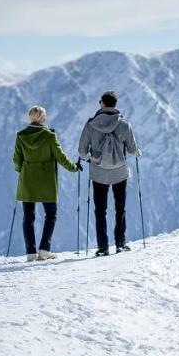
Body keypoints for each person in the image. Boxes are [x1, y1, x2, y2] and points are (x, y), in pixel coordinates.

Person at [13, 105, 80, 261]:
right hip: (46, 182)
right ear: (42, 118)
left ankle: (30, 253)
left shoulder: (20, 136)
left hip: (27, 181)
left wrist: (23, 171)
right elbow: (61, 157)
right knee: (51, 215)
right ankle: (44, 250)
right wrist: (74, 167)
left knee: (28, 217)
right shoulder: (49, 136)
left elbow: (17, 160)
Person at [78, 90, 140, 255]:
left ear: (102, 104)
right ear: (115, 104)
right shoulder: (124, 124)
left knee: (100, 211)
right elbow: (133, 150)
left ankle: (103, 247)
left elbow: (82, 152)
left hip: (98, 173)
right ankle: (120, 244)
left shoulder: (90, 125)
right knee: (120, 208)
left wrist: (93, 159)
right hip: (119, 172)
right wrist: (137, 152)